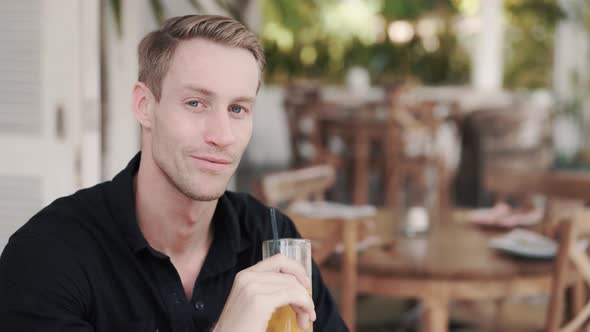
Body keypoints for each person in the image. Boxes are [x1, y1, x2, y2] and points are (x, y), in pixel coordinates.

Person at [0, 15, 348, 332]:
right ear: (144, 106)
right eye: (196, 103)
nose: (222, 135)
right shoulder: (46, 254)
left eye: (237, 108)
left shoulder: (270, 239)